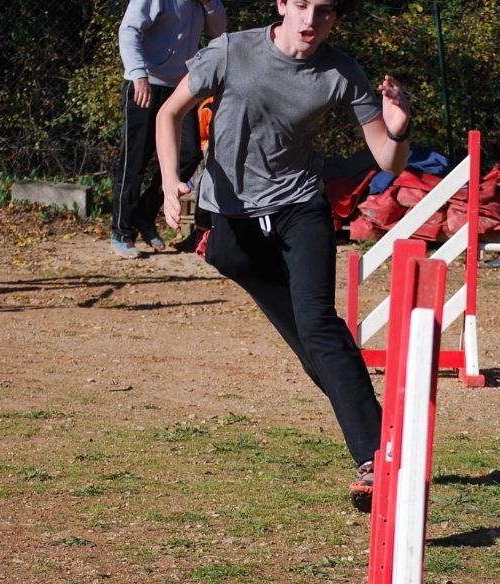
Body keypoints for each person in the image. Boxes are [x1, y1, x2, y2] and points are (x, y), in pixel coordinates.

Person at [155, 0, 411, 511]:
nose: (310, 20)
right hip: (232, 219)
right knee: (303, 337)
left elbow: (389, 159)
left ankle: (374, 455)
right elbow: (169, 112)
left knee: (320, 326)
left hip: (300, 206)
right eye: (301, 5)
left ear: (335, 19)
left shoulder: (342, 72)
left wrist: (400, 126)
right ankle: (373, 434)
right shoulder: (232, 49)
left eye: (324, 11)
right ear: (282, 6)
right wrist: (168, 182)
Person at [111, 0, 226, 258]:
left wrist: (209, 5)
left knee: (189, 153)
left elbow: (219, 32)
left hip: (181, 85)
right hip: (145, 83)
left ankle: (144, 215)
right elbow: (129, 29)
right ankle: (122, 232)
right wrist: (138, 73)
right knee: (135, 159)